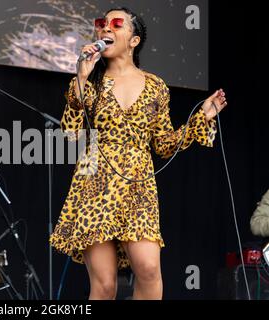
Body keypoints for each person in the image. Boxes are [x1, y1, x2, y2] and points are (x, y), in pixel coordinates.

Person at [50, 7, 228, 300]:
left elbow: (164, 144)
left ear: (134, 40)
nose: (105, 29)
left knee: (148, 270)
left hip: (138, 185)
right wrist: (81, 77)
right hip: (94, 183)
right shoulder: (87, 83)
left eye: (116, 24)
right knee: (105, 285)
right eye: (101, 24)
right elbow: (69, 134)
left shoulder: (156, 86)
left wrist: (201, 119)